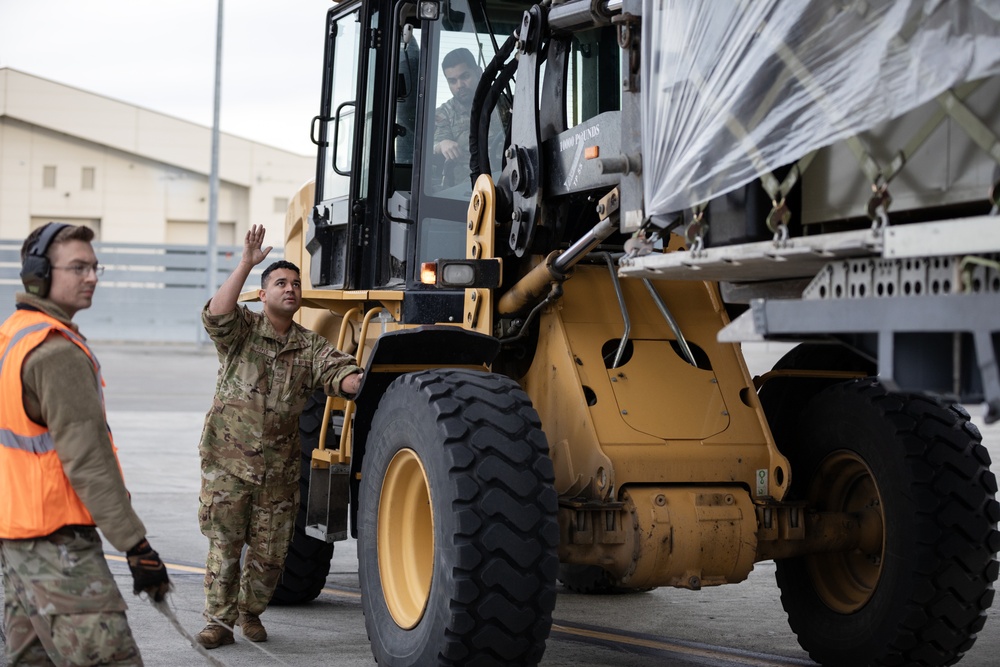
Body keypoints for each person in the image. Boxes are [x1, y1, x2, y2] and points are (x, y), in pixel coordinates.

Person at [0, 222, 171, 666]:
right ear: (38, 273)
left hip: (17, 542)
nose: (91, 277)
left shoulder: (13, 336)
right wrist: (136, 546)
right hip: (59, 545)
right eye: (78, 267)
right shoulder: (56, 352)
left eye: (95, 267)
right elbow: (89, 461)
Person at [195, 224, 363, 649]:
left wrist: (357, 381)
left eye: (295, 284)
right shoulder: (243, 332)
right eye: (280, 283)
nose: (290, 289)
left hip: (279, 472)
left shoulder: (310, 346)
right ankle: (218, 622)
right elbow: (216, 314)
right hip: (229, 464)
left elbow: (338, 371)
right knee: (226, 546)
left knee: (271, 555)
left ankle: (249, 613)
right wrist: (246, 264)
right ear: (263, 293)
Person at [432, 47, 510, 190]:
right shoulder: (445, 113)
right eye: (453, 81)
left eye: (465, 77)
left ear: (478, 72)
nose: (459, 85)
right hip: (467, 192)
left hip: (507, 185)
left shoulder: (505, 103)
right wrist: (442, 144)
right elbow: (434, 143)